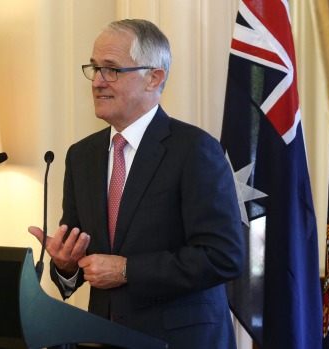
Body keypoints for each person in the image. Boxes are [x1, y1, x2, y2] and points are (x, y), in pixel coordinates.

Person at [28, 19, 245, 349]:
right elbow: (75, 268)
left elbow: (223, 256)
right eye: (95, 68)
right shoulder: (81, 156)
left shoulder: (194, 150)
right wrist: (65, 265)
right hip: (104, 338)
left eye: (111, 69)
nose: (98, 81)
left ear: (153, 77)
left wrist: (129, 270)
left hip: (181, 341)